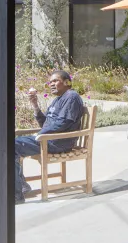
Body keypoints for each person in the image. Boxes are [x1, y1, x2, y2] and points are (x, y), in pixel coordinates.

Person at [16, 70, 85, 202]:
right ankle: (20, 186)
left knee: (13, 146)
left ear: (67, 82)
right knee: (12, 144)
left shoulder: (71, 97)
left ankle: (15, 194)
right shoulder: (57, 100)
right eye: (50, 82)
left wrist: (40, 134)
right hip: (48, 140)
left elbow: (63, 123)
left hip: (58, 143)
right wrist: (35, 106)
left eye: (55, 81)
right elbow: (45, 124)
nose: (51, 84)